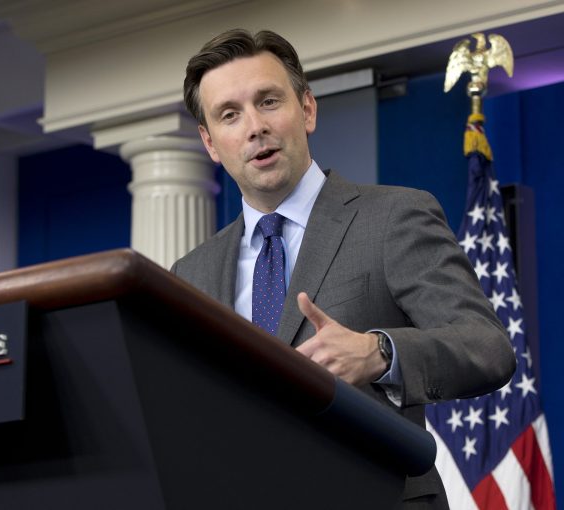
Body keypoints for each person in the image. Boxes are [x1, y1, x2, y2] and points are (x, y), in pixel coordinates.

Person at [171, 28, 516, 508]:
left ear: (306, 109)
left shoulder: (394, 216)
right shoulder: (190, 274)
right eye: (230, 115)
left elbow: (488, 347)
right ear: (211, 143)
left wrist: (380, 352)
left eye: (269, 102)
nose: (254, 127)